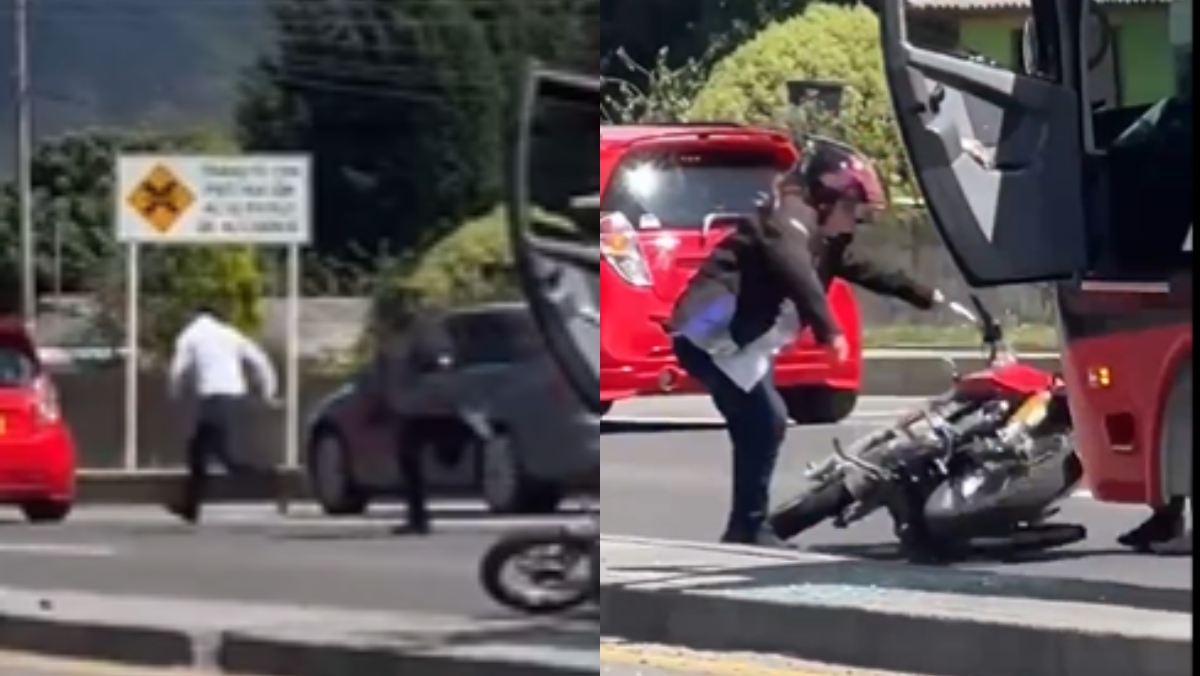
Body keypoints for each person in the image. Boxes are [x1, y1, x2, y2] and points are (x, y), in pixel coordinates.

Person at [668, 138, 952, 549]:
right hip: (708, 330)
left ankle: (745, 526)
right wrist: (829, 329)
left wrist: (921, 293)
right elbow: (793, 264)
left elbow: (859, 266)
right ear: (826, 195)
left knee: (761, 424)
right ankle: (747, 527)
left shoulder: (822, 235)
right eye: (851, 210)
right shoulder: (785, 219)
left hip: (737, 343)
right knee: (764, 421)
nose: (854, 222)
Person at [166, 305, 280, 524]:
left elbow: (178, 369)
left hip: (214, 400)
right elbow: (260, 361)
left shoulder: (190, 335)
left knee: (225, 456)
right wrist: (268, 392)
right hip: (237, 399)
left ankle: (270, 479)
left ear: (194, 315)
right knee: (201, 452)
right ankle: (190, 506)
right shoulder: (229, 334)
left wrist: (174, 394)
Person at [364, 306, 458, 536]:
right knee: (409, 461)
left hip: (432, 407)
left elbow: (441, 363)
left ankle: (418, 517)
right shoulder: (389, 342)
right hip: (411, 409)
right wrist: (380, 404)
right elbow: (382, 376)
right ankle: (418, 518)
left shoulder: (423, 335)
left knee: (433, 456)